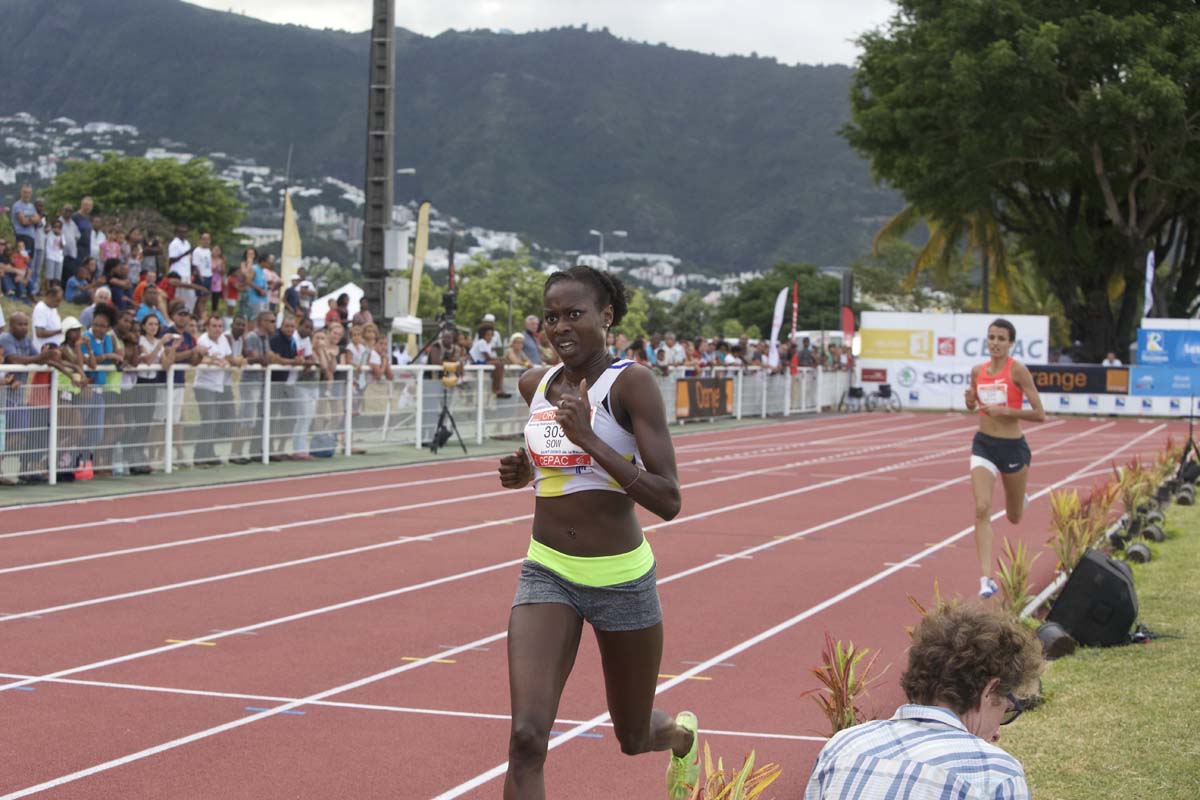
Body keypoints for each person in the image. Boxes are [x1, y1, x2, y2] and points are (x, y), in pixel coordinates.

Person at [495, 265, 697, 800]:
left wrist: (589, 439)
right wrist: (526, 472)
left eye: (575, 314)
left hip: (621, 579)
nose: (560, 326)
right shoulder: (534, 384)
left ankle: (680, 738)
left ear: (606, 316)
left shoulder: (630, 383)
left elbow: (668, 498)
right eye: (552, 316)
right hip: (548, 571)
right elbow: (555, 470)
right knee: (526, 736)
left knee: (634, 736)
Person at [804, 602, 1042, 800]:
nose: (997, 732)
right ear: (990, 690)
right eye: (1006, 711)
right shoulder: (995, 776)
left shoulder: (841, 748)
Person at [963, 318, 1046, 598]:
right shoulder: (977, 371)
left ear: (1011, 343)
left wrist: (1007, 411)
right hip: (984, 444)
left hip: (1013, 447)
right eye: (991, 337)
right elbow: (974, 403)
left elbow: (1040, 414)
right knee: (982, 507)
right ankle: (985, 578)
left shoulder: (1018, 370)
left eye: (1001, 338)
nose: (995, 343)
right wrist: (969, 401)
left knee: (1014, 517)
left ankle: (1020, 496)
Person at [193, 315, 234, 466]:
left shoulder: (223, 339)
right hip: (204, 386)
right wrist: (216, 361)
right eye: (214, 326)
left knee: (215, 421)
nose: (217, 329)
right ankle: (199, 456)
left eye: (220, 326)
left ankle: (209, 453)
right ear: (207, 327)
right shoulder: (203, 340)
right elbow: (200, 359)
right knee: (208, 420)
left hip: (219, 385)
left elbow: (230, 357)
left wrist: (230, 361)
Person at [470, 323, 512, 398]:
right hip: (475, 363)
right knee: (498, 364)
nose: (490, 337)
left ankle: (500, 387)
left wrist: (502, 359)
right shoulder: (482, 342)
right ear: (483, 335)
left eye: (491, 335)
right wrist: (502, 358)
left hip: (482, 362)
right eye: (488, 335)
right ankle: (496, 388)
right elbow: (488, 358)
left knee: (500, 364)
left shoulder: (487, 344)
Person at [32, 286, 65, 351]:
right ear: (50, 296)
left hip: (57, 344)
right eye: (57, 301)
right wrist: (59, 331)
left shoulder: (53, 308)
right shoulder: (41, 309)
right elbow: (40, 333)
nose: (58, 304)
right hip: (45, 347)